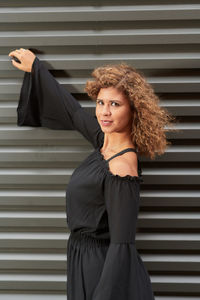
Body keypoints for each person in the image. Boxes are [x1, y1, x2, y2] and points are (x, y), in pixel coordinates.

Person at [8, 48, 176, 300]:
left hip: (102, 270)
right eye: (100, 103)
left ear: (134, 111)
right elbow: (74, 113)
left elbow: (122, 246)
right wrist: (36, 69)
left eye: (115, 105)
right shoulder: (104, 142)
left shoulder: (122, 167)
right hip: (83, 259)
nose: (104, 112)